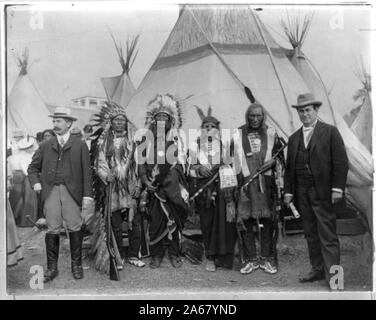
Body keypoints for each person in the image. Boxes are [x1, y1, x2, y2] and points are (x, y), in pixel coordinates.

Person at [283, 93, 348, 287]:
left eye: (308, 110)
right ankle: (317, 270)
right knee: (310, 234)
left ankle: (335, 278)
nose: (304, 114)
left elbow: (340, 162)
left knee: (327, 234)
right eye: (301, 111)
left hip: (324, 192)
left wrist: (337, 189)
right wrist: (288, 192)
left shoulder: (330, 132)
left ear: (316, 110)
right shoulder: (294, 138)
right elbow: (289, 169)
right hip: (302, 193)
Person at [28, 107, 93, 282]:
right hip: (51, 192)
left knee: (75, 226)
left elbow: (87, 172)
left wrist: (87, 195)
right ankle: (51, 268)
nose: (55, 124)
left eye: (59, 121)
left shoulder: (80, 144)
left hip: (72, 192)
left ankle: (76, 266)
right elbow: (32, 168)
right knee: (52, 228)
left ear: (69, 123)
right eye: (54, 121)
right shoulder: (45, 145)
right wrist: (36, 183)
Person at [137, 94, 190, 269]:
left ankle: (175, 253)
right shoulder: (146, 138)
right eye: (158, 117)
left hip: (172, 188)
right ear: (153, 120)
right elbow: (141, 163)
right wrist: (146, 180)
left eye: (164, 117)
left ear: (170, 120)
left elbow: (182, 163)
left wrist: (168, 177)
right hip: (154, 187)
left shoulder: (177, 138)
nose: (161, 120)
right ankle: (156, 255)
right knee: (156, 221)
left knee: (175, 219)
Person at [236, 103, 285, 275]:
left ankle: (266, 259)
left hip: (266, 185)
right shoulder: (238, 134)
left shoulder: (271, 134)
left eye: (259, 116)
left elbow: (281, 159)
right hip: (245, 185)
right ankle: (250, 259)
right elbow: (230, 159)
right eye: (252, 116)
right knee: (247, 221)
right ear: (247, 117)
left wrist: (274, 161)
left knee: (266, 221)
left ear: (263, 117)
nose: (255, 119)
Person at [94, 104, 144, 269]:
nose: (120, 123)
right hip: (113, 185)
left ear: (126, 123)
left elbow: (139, 165)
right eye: (117, 120)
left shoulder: (133, 141)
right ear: (111, 123)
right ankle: (118, 255)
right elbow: (99, 162)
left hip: (130, 184)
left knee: (134, 221)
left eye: (122, 120)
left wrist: (138, 184)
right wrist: (105, 175)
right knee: (114, 221)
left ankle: (133, 255)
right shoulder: (103, 141)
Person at [188, 106, 237, 271]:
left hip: (223, 190)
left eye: (212, 127)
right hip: (204, 190)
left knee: (223, 223)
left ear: (217, 129)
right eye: (206, 126)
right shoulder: (195, 147)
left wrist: (223, 167)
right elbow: (189, 169)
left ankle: (223, 256)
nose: (209, 129)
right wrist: (199, 169)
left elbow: (232, 166)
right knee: (207, 223)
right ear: (202, 129)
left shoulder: (225, 146)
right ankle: (210, 256)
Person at [8, 136, 38, 227]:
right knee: (26, 199)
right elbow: (26, 169)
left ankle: (16, 220)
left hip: (18, 176)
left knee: (17, 199)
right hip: (25, 176)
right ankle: (25, 221)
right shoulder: (29, 155)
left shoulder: (13, 156)